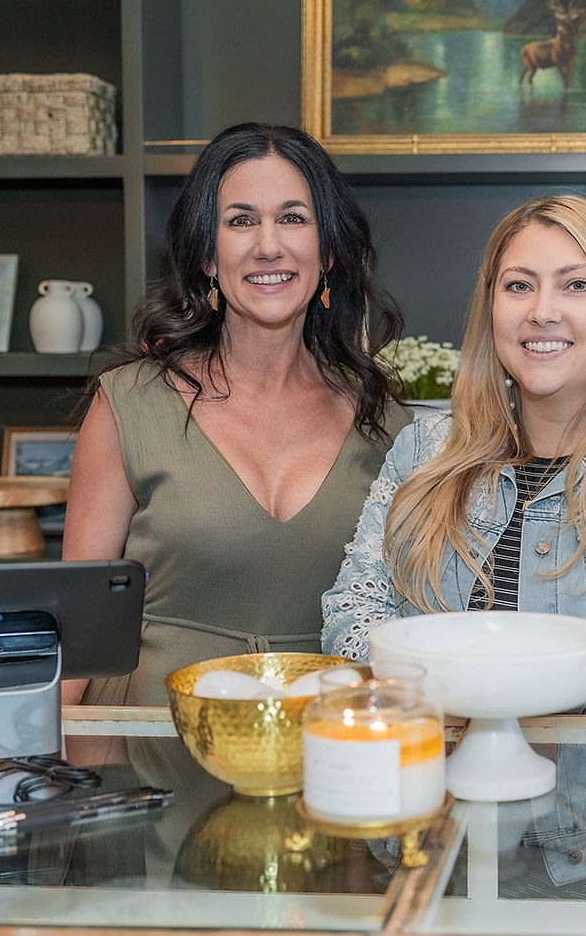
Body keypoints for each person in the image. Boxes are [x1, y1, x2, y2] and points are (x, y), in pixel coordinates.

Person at [322, 194, 586, 715]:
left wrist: (543, 689)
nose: (542, 312)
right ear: (491, 307)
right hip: (434, 784)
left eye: (578, 285)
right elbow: (352, 615)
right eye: (519, 286)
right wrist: (456, 688)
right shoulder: (422, 451)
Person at [63, 122, 408, 706]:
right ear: (206, 255)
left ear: (327, 253)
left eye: (293, 218)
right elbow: (79, 624)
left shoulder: (388, 425)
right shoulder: (129, 404)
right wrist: (34, 767)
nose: (268, 245)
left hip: (325, 752)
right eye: (240, 220)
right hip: (147, 749)